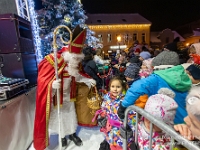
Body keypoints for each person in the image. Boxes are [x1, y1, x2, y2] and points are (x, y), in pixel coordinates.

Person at [33, 26, 96, 150]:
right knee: (60, 117)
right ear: (69, 55)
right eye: (75, 58)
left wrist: (88, 80)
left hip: (70, 97)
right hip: (58, 97)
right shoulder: (55, 62)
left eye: (79, 59)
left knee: (71, 115)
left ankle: (72, 134)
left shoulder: (74, 66)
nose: (77, 61)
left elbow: (78, 77)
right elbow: (42, 80)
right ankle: (62, 136)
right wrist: (51, 85)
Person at [117, 53, 200, 140]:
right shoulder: (185, 79)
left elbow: (136, 87)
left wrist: (124, 106)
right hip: (189, 126)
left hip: (169, 128)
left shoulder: (156, 78)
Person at [97, 76, 136, 150]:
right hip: (110, 130)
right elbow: (104, 109)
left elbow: (132, 117)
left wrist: (130, 130)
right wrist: (102, 117)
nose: (115, 89)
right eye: (113, 86)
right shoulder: (106, 98)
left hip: (121, 131)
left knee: (121, 146)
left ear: (122, 87)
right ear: (109, 87)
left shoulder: (125, 102)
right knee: (111, 144)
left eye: (118, 87)